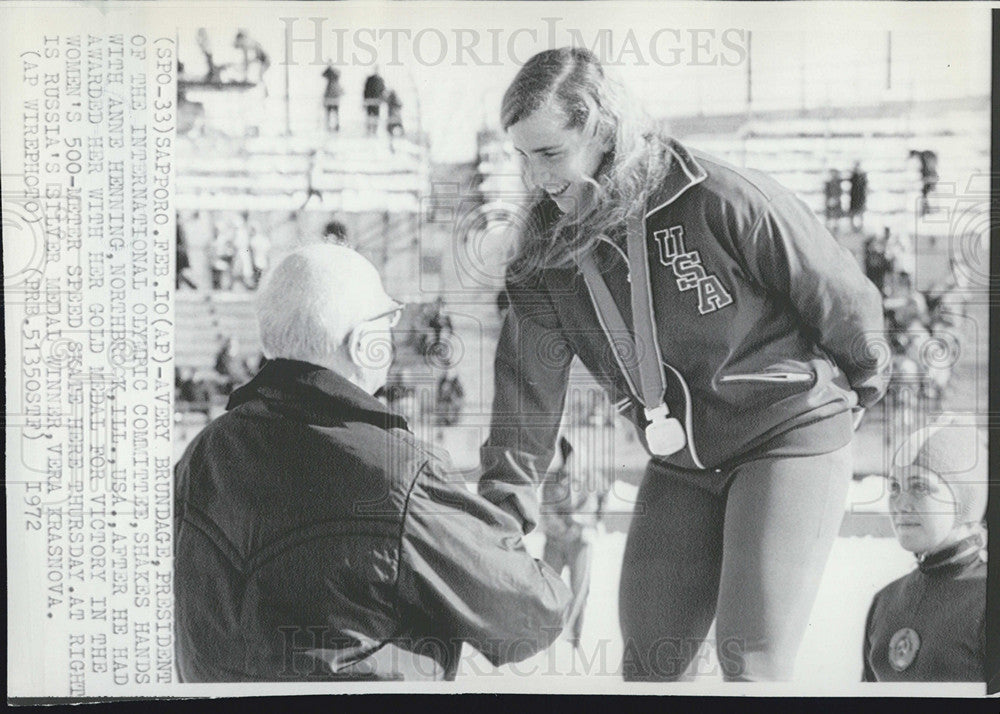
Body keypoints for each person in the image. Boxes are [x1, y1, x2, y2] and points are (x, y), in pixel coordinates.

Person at [480, 47, 888, 682]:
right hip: (682, 461)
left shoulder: (715, 195)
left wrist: (857, 393)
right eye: (522, 157)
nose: (536, 178)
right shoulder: (541, 256)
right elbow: (526, 398)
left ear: (603, 131)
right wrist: (502, 513)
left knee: (749, 661)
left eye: (551, 154)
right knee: (651, 664)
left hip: (784, 437)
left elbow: (836, 291)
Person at [174, 244, 570, 682]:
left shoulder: (203, 454)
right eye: (389, 321)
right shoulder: (399, 473)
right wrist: (511, 491)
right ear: (363, 344)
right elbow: (532, 614)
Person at [862, 419, 987, 682]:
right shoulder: (885, 601)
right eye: (894, 487)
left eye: (919, 486)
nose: (901, 504)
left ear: (963, 501)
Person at [539, 437, 596, 652]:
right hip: (554, 543)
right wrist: (563, 530)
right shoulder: (551, 480)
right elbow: (546, 510)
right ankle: (546, 639)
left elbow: (593, 503)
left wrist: (579, 525)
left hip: (579, 543)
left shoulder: (586, 478)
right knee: (548, 590)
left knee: (580, 590)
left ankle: (575, 639)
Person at [363, 66, 386, 137]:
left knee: (375, 117)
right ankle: (369, 130)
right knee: (370, 116)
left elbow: (383, 91)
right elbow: (365, 90)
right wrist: (365, 100)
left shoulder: (380, 80)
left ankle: (374, 131)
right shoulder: (370, 79)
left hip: (376, 101)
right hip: (370, 101)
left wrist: (382, 99)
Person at [321, 61, 343, 133]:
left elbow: (323, 74)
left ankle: (334, 125)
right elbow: (323, 74)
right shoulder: (335, 83)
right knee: (332, 113)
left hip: (332, 96)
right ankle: (333, 125)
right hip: (333, 96)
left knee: (332, 112)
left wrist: (329, 68)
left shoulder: (333, 81)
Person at [849, 161, 868, 232]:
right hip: (854, 197)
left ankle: (860, 227)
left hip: (860, 197)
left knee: (860, 213)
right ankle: (853, 227)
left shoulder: (862, 175)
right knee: (853, 213)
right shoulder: (853, 175)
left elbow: (865, 187)